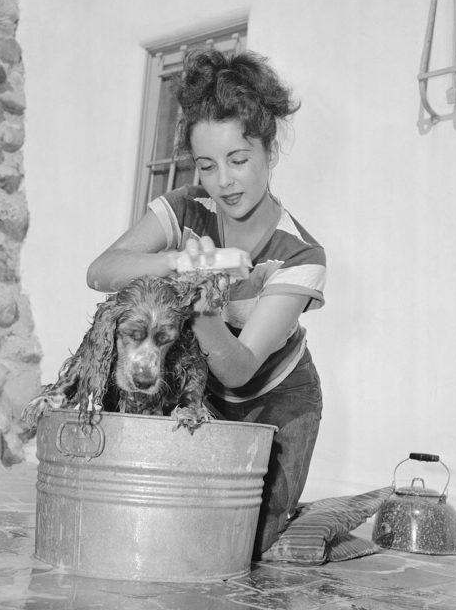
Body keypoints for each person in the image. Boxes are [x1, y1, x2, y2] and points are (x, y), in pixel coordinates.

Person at [86, 48, 326, 558]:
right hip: (202, 394)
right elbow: (101, 271)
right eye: (206, 165)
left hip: (278, 403)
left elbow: (239, 369)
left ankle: (308, 524)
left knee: (248, 546)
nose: (224, 181)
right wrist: (179, 263)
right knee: (180, 531)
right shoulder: (185, 207)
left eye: (239, 160)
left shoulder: (300, 255)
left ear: (269, 150)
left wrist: (203, 305)